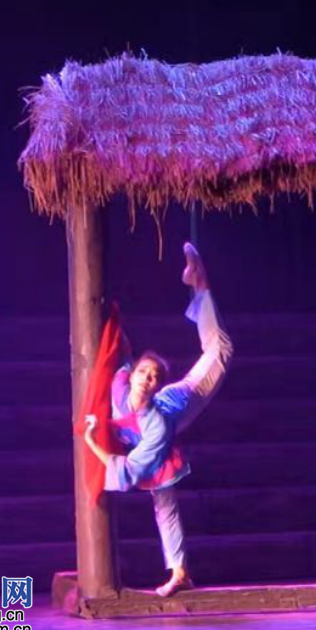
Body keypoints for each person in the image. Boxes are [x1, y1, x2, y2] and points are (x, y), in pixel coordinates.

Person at [84, 242, 234, 597]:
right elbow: (122, 353)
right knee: (164, 504)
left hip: (176, 408)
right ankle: (180, 571)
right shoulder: (121, 383)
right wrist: (108, 317)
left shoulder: (158, 424)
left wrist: (91, 440)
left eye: (153, 376)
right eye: (143, 372)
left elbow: (130, 469)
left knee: (221, 351)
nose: (146, 378)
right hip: (143, 432)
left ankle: (200, 285)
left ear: (156, 385)